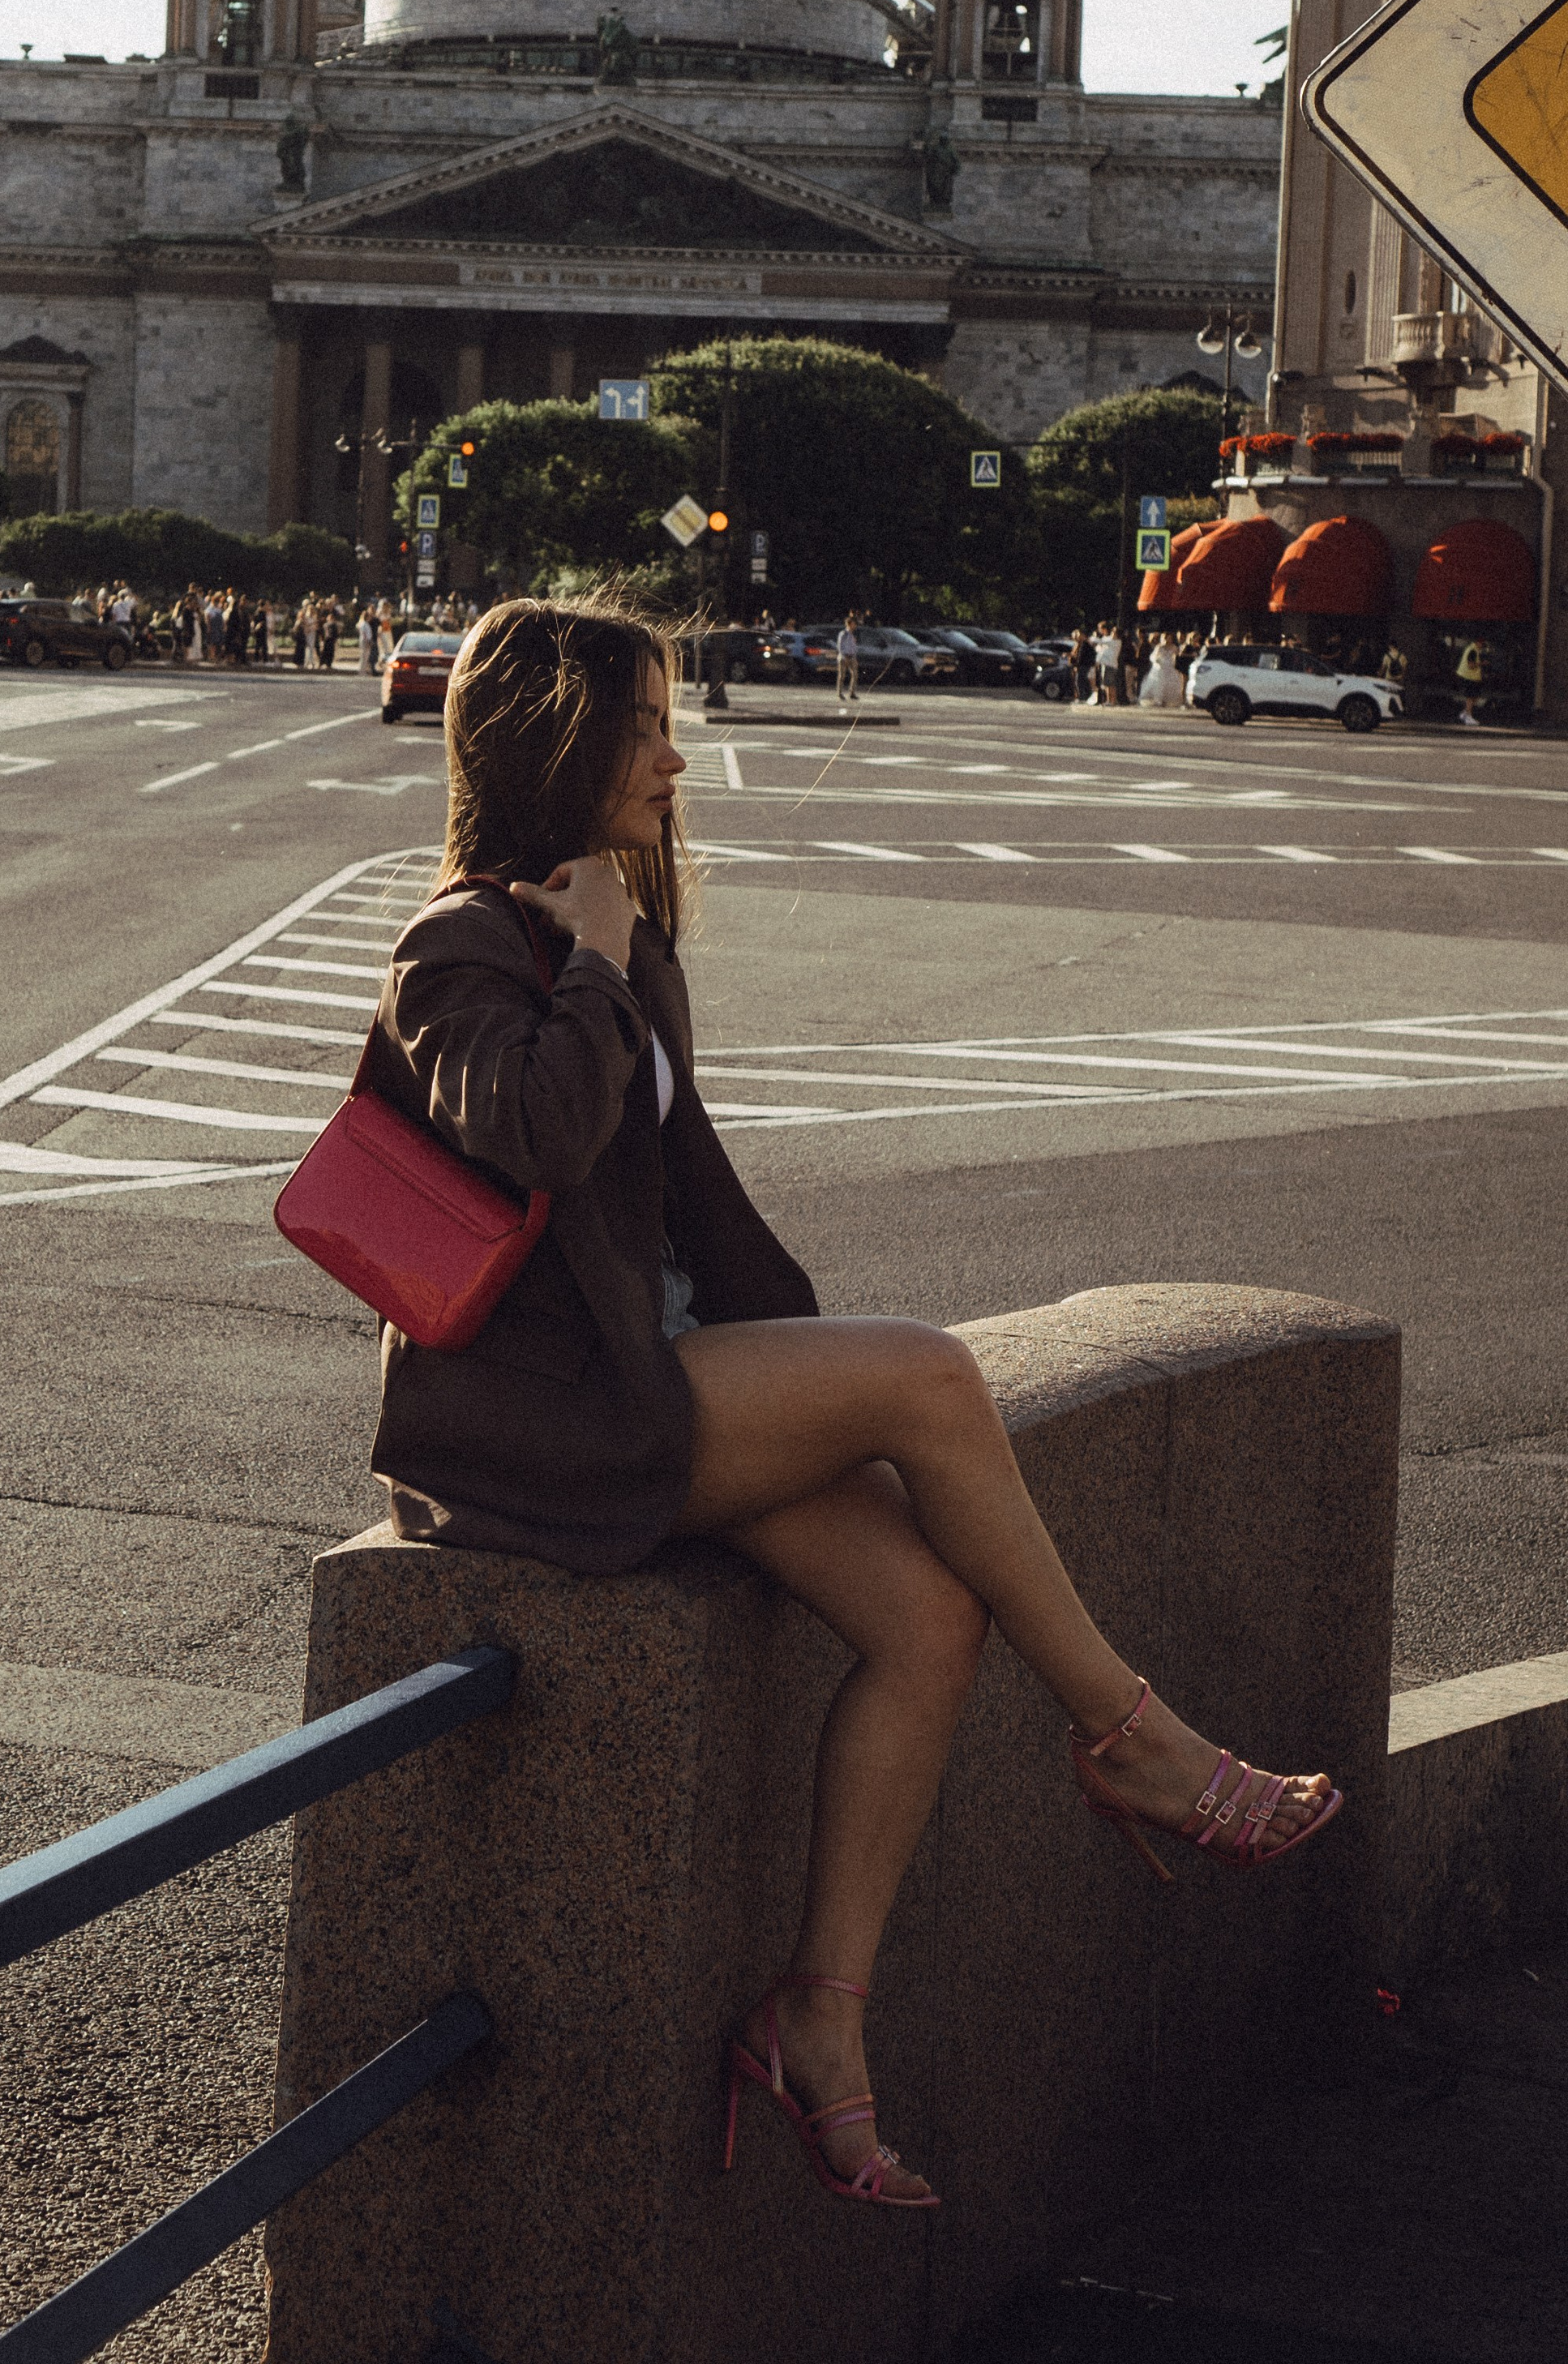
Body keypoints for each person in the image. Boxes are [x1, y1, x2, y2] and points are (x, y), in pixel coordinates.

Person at [352, 599, 1342, 2213]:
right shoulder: (461, 940)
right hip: (533, 1429)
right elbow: (528, 1131)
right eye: (645, 730)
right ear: (560, 745)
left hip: (649, 1385)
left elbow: (673, 1209)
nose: (676, 759)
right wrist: (595, 963)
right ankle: (1134, 1743)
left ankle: (817, 2017)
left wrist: (618, 959)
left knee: (925, 1618)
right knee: (929, 1374)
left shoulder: (620, 941)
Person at [835, 610, 861, 707]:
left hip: (852, 657)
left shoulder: (853, 635)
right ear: (849, 624)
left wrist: (854, 655)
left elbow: (853, 646)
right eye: (854, 624)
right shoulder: (843, 633)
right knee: (842, 676)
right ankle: (839, 693)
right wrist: (843, 655)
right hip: (844, 657)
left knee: (855, 674)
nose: (855, 626)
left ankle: (852, 693)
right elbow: (840, 645)